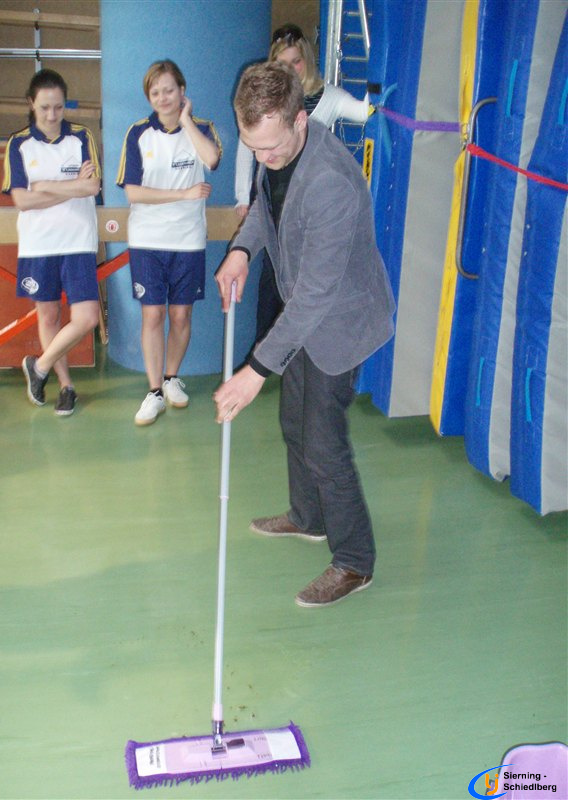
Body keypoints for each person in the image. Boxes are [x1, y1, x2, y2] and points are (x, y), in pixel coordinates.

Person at [214, 62, 395, 608]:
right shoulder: (273, 149)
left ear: (300, 119)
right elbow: (265, 209)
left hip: (340, 324)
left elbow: (316, 296)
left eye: (270, 147)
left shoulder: (330, 182)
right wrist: (241, 251)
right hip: (305, 316)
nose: (262, 157)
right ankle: (308, 516)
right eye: (253, 147)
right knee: (294, 420)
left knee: (322, 441)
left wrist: (254, 372)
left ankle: (355, 561)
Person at [234, 23, 374, 343]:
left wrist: (378, 83)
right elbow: (247, 149)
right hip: (276, 206)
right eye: (282, 63)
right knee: (272, 290)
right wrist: (243, 198)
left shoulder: (328, 98)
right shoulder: (264, 107)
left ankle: (294, 347)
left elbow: (364, 111)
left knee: (308, 287)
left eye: (295, 62)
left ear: (306, 61)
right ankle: (269, 347)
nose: (290, 69)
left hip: (309, 210)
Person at [117, 60, 221, 426]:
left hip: (188, 240)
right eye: (155, 92)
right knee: (153, 314)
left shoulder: (202, 129)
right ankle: (154, 392)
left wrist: (187, 120)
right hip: (147, 239)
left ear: (182, 91)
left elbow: (212, 159)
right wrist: (182, 194)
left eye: (169, 90)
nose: (162, 98)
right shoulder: (138, 133)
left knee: (180, 315)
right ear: (149, 96)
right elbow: (133, 192)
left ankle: (171, 377)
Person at [3, 69, 101, 416]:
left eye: (58, 107)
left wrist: (44, 186)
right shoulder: (18, 144)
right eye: (44, 107)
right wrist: (71, 187)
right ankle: (65, 386)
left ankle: (39, 366)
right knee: (49, 315)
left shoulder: (81, 137)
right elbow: (21, 200)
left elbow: (92, 187)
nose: (51, 115)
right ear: (31, 103)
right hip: (39, 243)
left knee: (87, 317)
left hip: (78, 240)